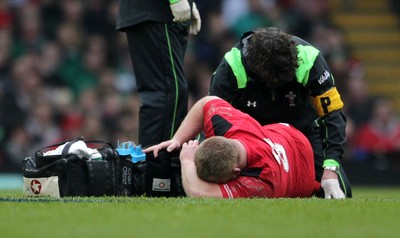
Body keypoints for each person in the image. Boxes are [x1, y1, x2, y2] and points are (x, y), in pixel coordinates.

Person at [209, 27, 351, 199]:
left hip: (302, 133)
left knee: (341, 192)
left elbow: (332, 115)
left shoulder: (309, 59)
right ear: (257, 69)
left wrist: (331, 169)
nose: (278, 83)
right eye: (273, 78)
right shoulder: (232, 64)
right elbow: (211, 116)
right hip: (251, 137)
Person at [144, 96, 321, 198]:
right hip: (284, 133)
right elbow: (206, 102)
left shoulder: (260, 182)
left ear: (236, 173)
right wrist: (177, 140)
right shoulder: (232, 125)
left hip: (302, 171)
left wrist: (187, 160)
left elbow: (197, 192)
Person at [116, 1, 201, 195]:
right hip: (157, 11)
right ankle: (159, 175)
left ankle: (156, 175)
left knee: (169, 91)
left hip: (160, 13)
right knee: (168, 91)